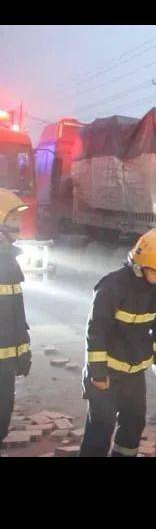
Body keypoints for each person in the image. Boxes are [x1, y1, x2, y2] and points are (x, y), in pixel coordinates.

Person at [79, 228, 156, 457]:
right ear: (140, 265)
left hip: (134, 373)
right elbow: (96, 331)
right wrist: (97, 374)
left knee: (134, 425)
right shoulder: (112, 286)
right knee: (100, 429)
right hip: (106, 374)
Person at [0, 189, 31, 454]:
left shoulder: (10, 261)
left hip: (6, 362)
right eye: (13, 224)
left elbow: (15, 314)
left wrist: (23, 349)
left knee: (2, 416)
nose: (19, 229)